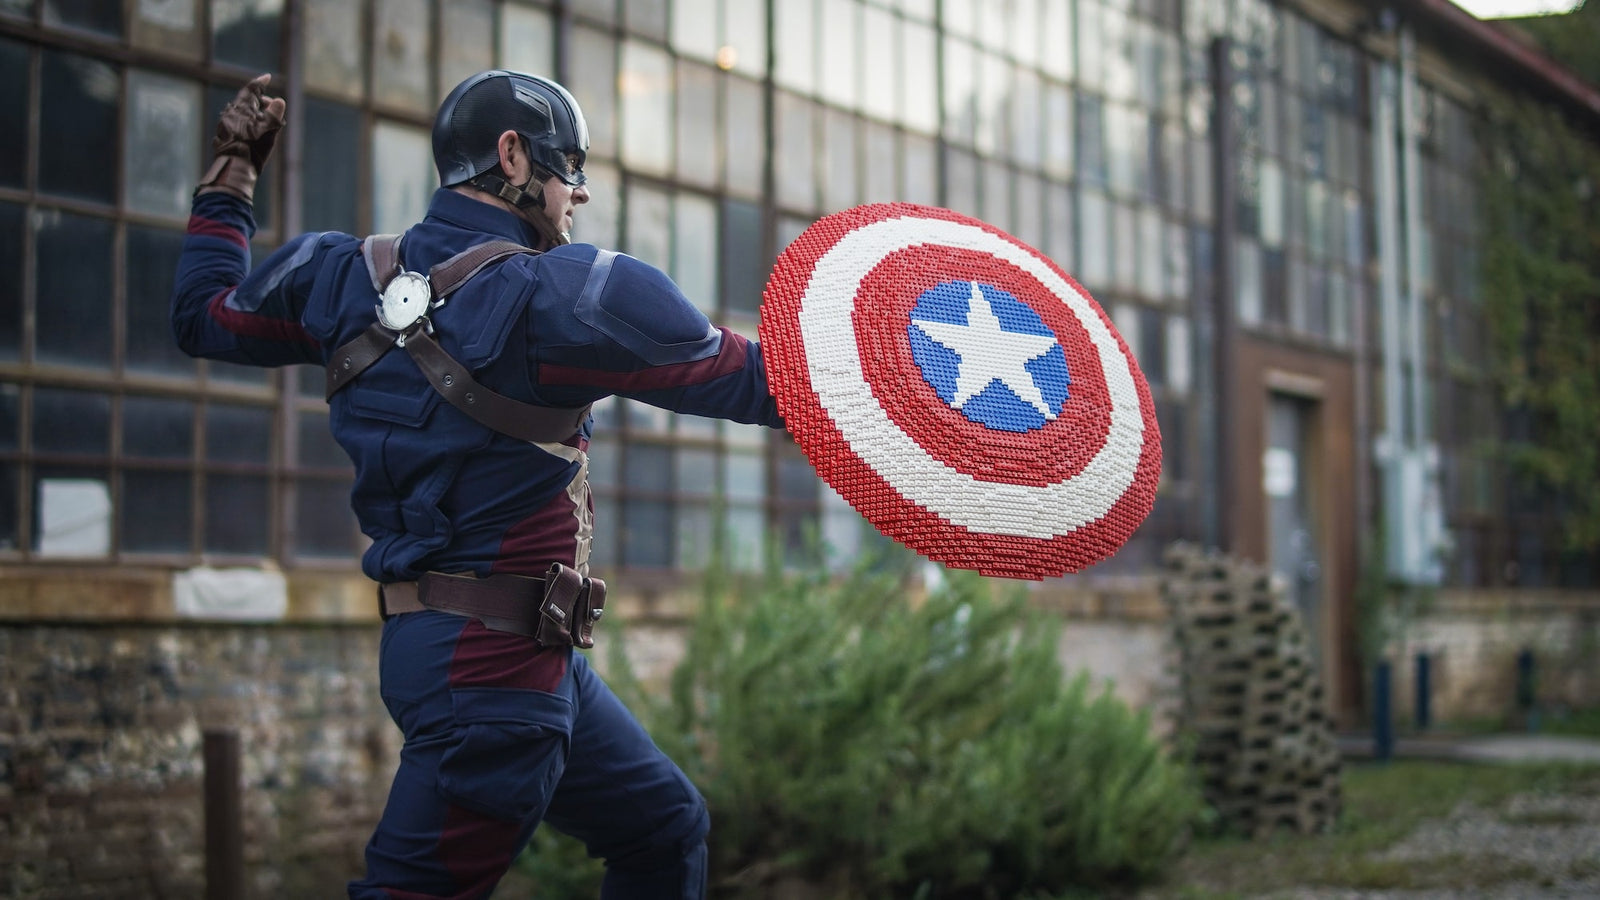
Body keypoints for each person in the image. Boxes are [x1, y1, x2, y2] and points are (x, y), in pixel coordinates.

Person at [172, 70, 785, 899]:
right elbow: (764, 386)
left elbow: (202, 316)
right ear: (513, 155)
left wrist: (232, 173)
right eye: (569, 168)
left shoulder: (336, 276)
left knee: (664, 827)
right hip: (496, 675)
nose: (578, 193)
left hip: (457, 652)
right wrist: (911, 371)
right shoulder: (563, 295)